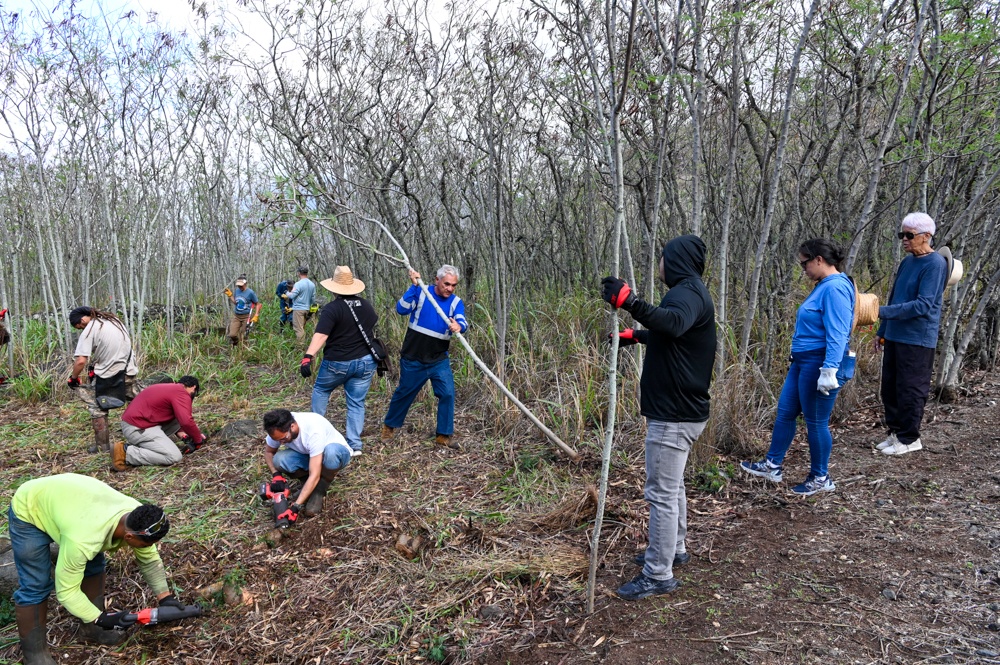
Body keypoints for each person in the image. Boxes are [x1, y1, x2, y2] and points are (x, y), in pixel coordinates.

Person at [601, 235, 716, 601]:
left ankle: (658, 573)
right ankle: (675, 549)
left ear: (678, 260)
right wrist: (636, 335)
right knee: (673, 486)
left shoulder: (685, 294)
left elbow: (675, 323)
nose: (660, 264)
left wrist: (630, 302)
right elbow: (674, 333)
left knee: (662, 493)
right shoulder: (692, 291)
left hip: (675, 414)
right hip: (681, 410)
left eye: (664, 258)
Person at [8, 473, 180, 663]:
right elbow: (66, 593)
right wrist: (100, 618)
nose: (150, 548)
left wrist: (165, 598)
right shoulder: (83, 540)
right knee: (36, 584)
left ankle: (91, 630)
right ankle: (34, 655)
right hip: (30, 507)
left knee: (94, 564)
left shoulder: (138, 516)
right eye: (147, 544)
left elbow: (149, 560)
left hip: (71, 504)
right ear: (129, 537)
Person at [741, 238, 855, 496]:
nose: (803, 269)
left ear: (819, 260)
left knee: (816, 422)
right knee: (785, 412)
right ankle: (772, 465)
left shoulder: (835, 288)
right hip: (803, 362)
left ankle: (820, 477)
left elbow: (838, 333)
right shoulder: (823, 285)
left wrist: (829, 370)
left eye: (804, 263)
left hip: (819, 362)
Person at [875, 212, 949, 456]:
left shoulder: (935, 264)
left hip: (917, 337)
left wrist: (878, 311)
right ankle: (896, 432)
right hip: (895, 334)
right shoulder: (907, 262)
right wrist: (883, 329)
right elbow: (896, 296)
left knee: (911, 388)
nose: (904, 239)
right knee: (890, 388)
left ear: (926, 236)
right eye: (902, 235)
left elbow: (922, 305)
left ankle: (910, 438)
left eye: (909, 235)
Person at [381, 265, 468, 450]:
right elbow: (401, 309)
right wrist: (414, 287)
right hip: (414, 358)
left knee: (447, 393)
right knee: (404, 393)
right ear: (437, 280)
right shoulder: (422, 292)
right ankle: (389, 427)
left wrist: (459, 326)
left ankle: (443, 435)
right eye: (446, 284)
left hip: (438, 359)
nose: (450, 288)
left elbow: (462, 320)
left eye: (454, 285)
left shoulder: (455, 302)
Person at [300, 266, 378, 456]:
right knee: (356, 402)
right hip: (366, 362)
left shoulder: (332, 308)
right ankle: (354, 445)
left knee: (321, 390)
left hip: (338, 362)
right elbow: (372, 324)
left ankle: (315, 436)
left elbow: (321, 335)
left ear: (334, 288)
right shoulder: (366, 305)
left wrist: (308, 357)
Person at [66, 306, 141, 454]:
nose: (81, 329)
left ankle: (103, 447)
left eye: (79, 326)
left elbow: (81, 361)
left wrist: (73, 378)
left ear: (82, 319)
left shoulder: (90, 329)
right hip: (128, 370)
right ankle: (152, 435)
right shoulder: (114, 321)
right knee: (140, 401)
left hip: (109, 375)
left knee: (97, 407)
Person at [262, 409, 352, 518]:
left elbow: (315, 474)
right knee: (279, 460)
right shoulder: (277, 428)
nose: (281, 443)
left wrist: (295, 507)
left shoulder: (313, 431)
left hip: (337, 454)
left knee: (331, 454)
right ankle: (307, 485)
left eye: (283, 439)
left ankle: (319, 489)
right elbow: (268, 452)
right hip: (310, 455)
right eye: (278, 440)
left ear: (293, 426)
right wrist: (276, 475)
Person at [111, 376, 205, 471]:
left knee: (179, 413)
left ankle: (142, 445)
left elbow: (179, 418)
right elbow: (187, 421)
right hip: (137, 428)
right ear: (193, 387)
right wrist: (198, 440)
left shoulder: (170, 389)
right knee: (174, 456)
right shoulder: (182, 393)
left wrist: (186, 435)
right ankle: (125, 453)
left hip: (137, 424)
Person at [281, 266, 317, 343]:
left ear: (299, 273)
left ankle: (300, 347)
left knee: (298, 329)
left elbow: (292, 295)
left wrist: (286, 292)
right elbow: (313, 298)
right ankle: (302, 344)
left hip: (298, 309)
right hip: (307, 309)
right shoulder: (312, 284)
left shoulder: (298, 284)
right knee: (302, 327)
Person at [225, 275, 261, 346]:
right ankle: (236, 344)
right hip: (237, 316)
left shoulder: (250, 293)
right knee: (232, 334)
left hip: (246, 317)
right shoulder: (237, 291)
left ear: (245, 284)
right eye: (238, 286)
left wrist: (256, 315)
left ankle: (243, 348)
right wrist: (230, 295)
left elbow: (258, 304)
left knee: (243, 335)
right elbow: (236, 303)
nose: (240, 287)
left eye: (241, 286)